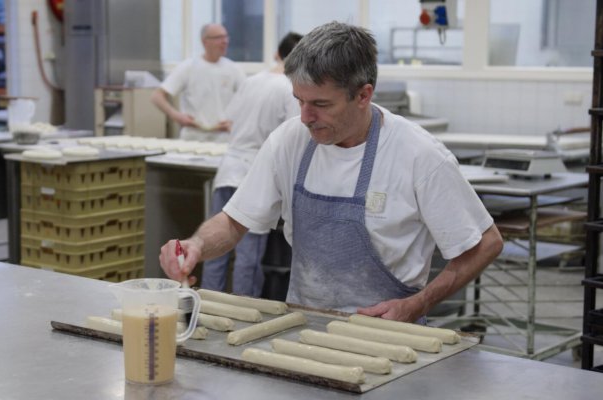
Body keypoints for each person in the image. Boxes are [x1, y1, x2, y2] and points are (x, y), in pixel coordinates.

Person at [160, 21, 503, 323]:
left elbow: (486, 243)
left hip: (388, 337)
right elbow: (235, 221)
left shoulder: (419, 155)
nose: (306, 116)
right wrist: (196, 245)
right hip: (301, 331)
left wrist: (416, 304)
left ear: (363, 95)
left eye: (321, 104)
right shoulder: (290, 140)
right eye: (299, 101)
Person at [200, 32, 303, 297]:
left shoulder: (251, 81)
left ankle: (209, 306)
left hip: (228, 170)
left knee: (215, 251)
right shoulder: (290, 89)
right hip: (255, 175)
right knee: (248, 257)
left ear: (276, 54)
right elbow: (298, 135)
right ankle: (242, 316)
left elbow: (230, 121)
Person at [151, 23, 245, 142]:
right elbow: (156, 96)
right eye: (219, 38)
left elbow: (249, 100)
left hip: (223, 138)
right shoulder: (188, 67)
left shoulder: (234, 69)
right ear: (205, 42)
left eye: (226, 37)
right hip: (193, 136)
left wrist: (236, 122)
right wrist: (177, 116)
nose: (225, 41)